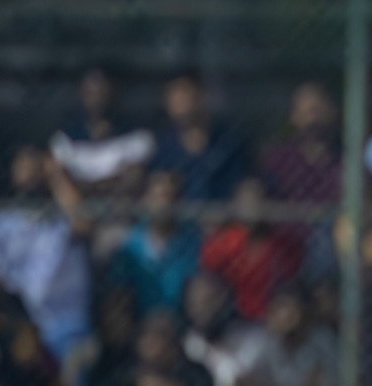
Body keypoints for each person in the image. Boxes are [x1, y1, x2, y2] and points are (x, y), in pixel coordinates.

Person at [0, 146, 93, 363]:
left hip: (67, 323)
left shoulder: (61, 218)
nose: (28, 172)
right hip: (18, 323)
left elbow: (84, 224)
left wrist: (56, 174)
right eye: (22, 166)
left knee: (78, 364)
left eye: (35, 166)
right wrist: (21, 321)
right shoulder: (0, 224)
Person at [200, 177, 303, 320]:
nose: (252, 211)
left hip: (272, 319)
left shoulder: (285, 244)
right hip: (230, 318)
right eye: (246, 204)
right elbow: (208, 273)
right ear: (235, 207)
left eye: (257, 203)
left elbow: (291, 282)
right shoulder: (224, 242)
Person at [106, 170, 201, 317]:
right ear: (145, 201)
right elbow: (119, 291)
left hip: (181, 327)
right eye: (156, 197)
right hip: (139, 328)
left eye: (169, 197)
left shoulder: (192, 246)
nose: (163, 205)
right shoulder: (128, 245)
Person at [151, 74, 249, 202]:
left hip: (224, 216)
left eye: (184, 97)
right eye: (174, 100)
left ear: (201, 97)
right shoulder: (164, 149)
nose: (180, 105)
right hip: (180, 219)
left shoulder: (228, 143)